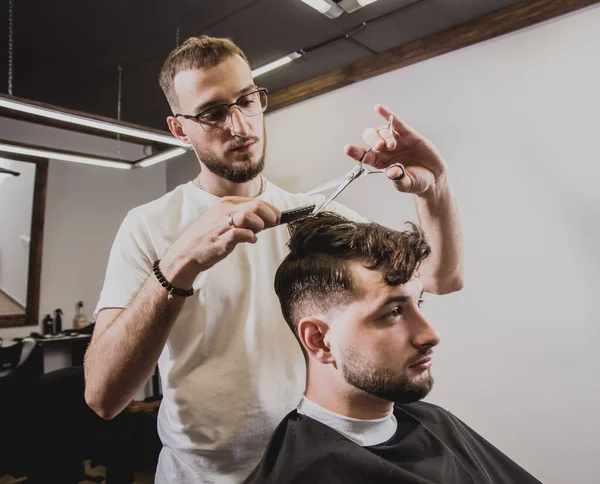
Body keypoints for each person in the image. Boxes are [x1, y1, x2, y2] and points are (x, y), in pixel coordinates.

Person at [83, 35, 464, 483]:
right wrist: (180, 262)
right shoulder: (148, 226)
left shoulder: (321, 217)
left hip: (310, 465)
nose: (240, 126)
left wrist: (434, 189)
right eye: (212, 113)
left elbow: (439, 278)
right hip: (201, 476)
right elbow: (103, 397)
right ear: (180, 129)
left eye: (246, 101)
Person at [245, 212, 541, 484]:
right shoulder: (300, 474)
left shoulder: (435, 422)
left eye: (419, 302)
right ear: (320, 340)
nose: (430, 334)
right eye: (393, 312)